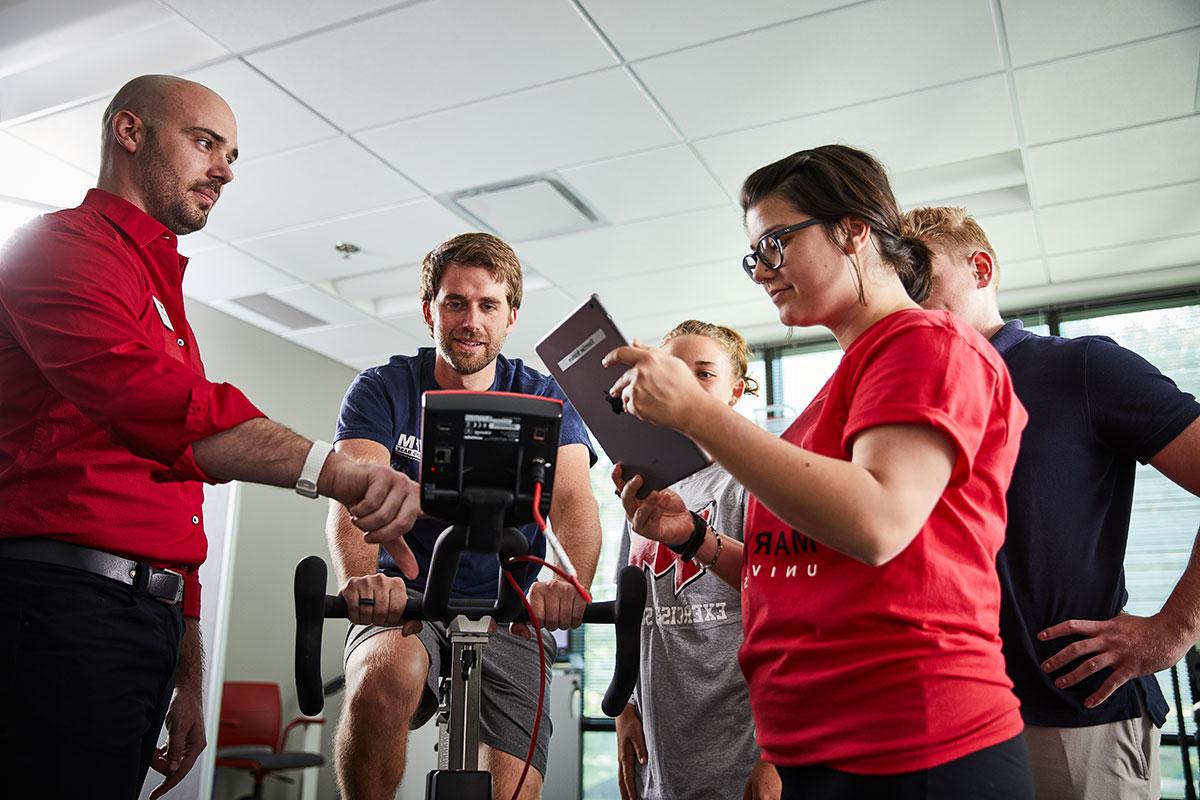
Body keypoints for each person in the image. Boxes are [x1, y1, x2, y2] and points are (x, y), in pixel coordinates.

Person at [0, 75, 422, 800]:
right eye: (205, 143)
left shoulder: (159, 290)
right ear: (129, 133)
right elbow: (159, 406)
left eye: (231, 153)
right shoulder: (58, 247)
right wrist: (338, 471)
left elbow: (172, 499)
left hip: (141, 623)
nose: (225, 169)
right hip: (54, 610)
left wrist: (187, 671)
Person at [605, 144, 1035, 799]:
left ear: (853, 228)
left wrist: (696, 414)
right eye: (754, 256)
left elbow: (877, 522)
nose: (761, 272)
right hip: (825, 748)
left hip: (912, 747)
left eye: (775, 243)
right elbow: (800, 572)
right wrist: (691, 537)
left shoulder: (925, 343)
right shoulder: (834, 396)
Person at [902, 205, 1200, 799]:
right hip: (947, 720)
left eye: (920, 279)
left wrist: (1175, 627)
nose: (907, 301)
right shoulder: (910, 404)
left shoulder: (1081, 368)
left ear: (980, 268)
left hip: (1074, 716)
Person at [328, 231, 602, 800]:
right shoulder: (383, 389)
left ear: (510, 318)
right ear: (431, 311)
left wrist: (564, 580)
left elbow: (575, 502)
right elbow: (354, 495)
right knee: (379, 683)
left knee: (514, 788)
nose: (470, 319)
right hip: (408, 601)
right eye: (455, 302)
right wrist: (362, 580)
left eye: (487, 305)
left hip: (511, 607)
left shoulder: (547, 399)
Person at [613, 319, 779, 800]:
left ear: (735, 392)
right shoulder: (643, 489)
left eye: (703, 374)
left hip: (740, 746)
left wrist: (775, 757)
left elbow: (785, 609)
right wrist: (624, 706)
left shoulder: (754, 478)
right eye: (673, 371)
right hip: (661, 752)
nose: (684, 384)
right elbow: (629, 609)